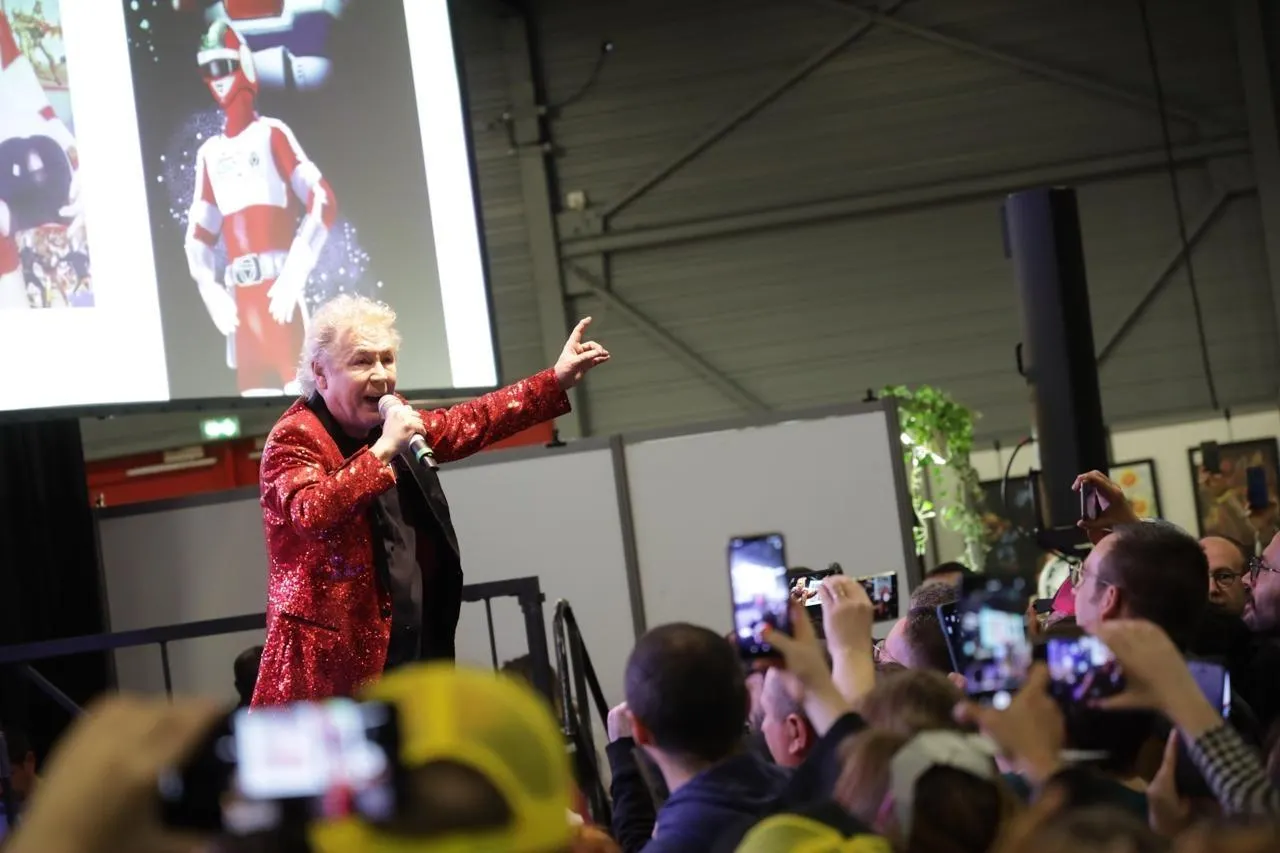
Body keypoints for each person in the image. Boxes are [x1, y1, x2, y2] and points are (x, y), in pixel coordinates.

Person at [251, 295, 609, 706]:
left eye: (387, 359)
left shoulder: (392, 419)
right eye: (362, 362)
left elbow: (467, 422)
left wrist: (554, 380)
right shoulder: (295, 436)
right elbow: (312, 512)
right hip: (330, 674)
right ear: (320, 372)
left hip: (411, 649)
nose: (381, 375)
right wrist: (383, 451)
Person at [184, 19, 337, 395]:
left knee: (301, 416)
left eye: (224, 65)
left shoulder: (272, 134)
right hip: (242, 314)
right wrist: (207, 287)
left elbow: (322, 200)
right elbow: (199, 234)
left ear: (243, 65)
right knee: (256, 408)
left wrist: (295, 271)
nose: (218, 78)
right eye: (208, 69)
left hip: (279, 302)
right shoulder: (210, 154)